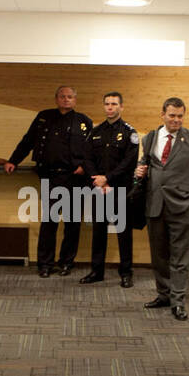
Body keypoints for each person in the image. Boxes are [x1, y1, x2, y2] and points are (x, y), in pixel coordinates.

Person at [5, 85, 92, 277]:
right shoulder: (44, 117)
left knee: (72, 223)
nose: (66, 99)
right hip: (51, 176)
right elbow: (28, 140)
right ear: (56, 99)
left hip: (75, 179)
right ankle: (45, 264)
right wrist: (13, 160)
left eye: (70, 96)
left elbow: (92, 150)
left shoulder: (84, 121)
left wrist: (85, 167)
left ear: (75, 100)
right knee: (49, 222)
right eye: (62, 96)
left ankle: (66, 263)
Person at [136, 97, 189, 320]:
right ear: (163, 115)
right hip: (155, 205)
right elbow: (145, 164)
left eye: (180, 116)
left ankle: (178, 301)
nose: (176, 120)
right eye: (172, 115)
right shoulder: (149, 138)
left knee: (179, 256)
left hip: (182, 206)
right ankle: (163, 294)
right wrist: (139, 170)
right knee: (159, 256)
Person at [80, 91, 138, 288]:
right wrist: (98, 180)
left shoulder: (130, 133)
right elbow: (86, 158)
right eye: (107, 104)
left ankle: (126, 273)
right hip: (99, 190)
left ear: (121, 107)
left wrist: (108, 179)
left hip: (120, 189)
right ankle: (97, 271)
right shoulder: (95, 132)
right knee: (98, 232)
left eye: (114, 104)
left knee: (123, 233)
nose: (110, 107)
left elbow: (129, 162)